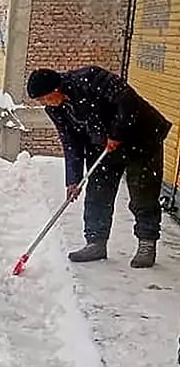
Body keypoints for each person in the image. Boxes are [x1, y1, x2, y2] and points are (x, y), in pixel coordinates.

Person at [28, 66, 172, 268]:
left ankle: (146, 243)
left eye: (44, 98)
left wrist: (117, 133)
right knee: (98, 192)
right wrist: (73, 180)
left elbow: (127, 100)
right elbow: (70, 142)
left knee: (142, 192)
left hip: (141, 137)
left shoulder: (91, 78)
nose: (44, 104)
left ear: (56, 89)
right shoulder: (55, 108)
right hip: (103, 145)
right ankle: (96, 243)